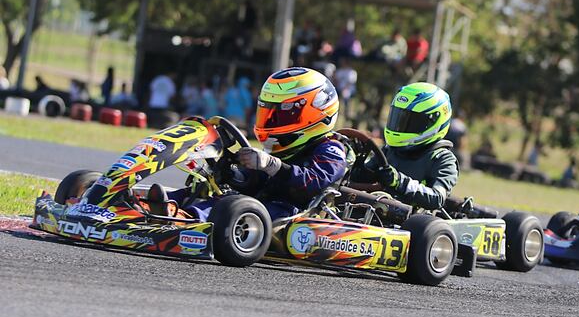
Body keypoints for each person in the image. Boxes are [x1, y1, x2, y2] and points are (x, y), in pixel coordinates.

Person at [166, 67, 347, 222]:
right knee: (208, 190)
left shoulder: (331, 149)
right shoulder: (281, 150)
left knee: (236, 207)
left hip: (292, 212)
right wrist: (231, 173)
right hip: (257, 203)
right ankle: (162, 203)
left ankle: (189, 218)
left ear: (316, 111)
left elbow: (313, 181)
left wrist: (272, 165)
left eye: (283, 113)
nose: (273, 120)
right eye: (269, 112)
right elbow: (255, 181)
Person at [358, 82, 458, 211]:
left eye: (411, 121)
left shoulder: (443, 159)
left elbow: (436, 198)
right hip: (378, 211)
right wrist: (357, 162)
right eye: (398, 118)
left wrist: (399, 182)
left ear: (434, 122)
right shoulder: (389, 150)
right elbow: (362, 180)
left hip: (413, 223)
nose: (400, 126)